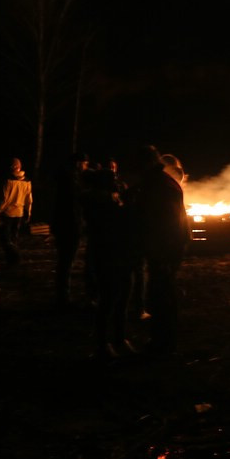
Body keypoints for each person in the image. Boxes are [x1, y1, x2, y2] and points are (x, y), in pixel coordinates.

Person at [129, 145, 191, 357]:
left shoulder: (160, 185)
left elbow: (168, 222)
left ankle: (163, 343)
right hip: (164, 246)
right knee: (161, 293)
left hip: (165, 248)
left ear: (146, 163)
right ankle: (162, 340)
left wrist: (165, 253)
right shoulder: (158, 182)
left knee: (162, 294)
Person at [83, 155, 136, 359]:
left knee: (121, 299)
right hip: (108, 255)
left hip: (120, 254)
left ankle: (119, 339)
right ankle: (103, 344)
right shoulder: (100, 203)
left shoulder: (112, 201)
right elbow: (115, 224)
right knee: (110, 300)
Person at [53, 152, 90, 306]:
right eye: (85, 163)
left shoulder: (66, 178)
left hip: (63, 224)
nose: (86, 166)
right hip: (70, 225)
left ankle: (62, 294)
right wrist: (80, 224)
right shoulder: (72, 180)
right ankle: (63, 296)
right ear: (78, 163)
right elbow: (74, 206)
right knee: (66, 261)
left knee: (64, 260)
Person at [0, 157, 33, 273]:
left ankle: (13, 259)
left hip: (7, 213)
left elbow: (4, 199)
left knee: (5, 238)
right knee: (14, 237)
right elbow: (29, 200)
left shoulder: (8, 181)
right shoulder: (27, 181)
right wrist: (28, 212)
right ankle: (13, 259)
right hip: (19, 213)